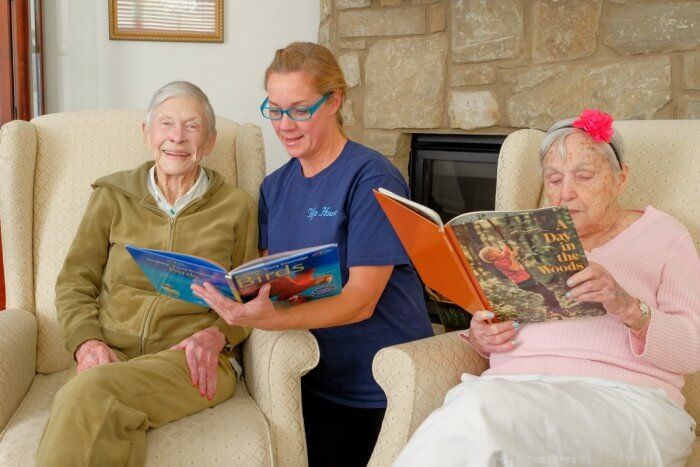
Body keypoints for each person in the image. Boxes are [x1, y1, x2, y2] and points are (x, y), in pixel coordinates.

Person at [394, 109, 699, 466]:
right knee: (462, 419)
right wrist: (482, 337)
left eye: (584, 176)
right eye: (553, 180)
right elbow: (493, 320)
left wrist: (626, 305)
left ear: (621, 178)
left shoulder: (665, 235)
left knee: (472, 421)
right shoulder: (524, 238)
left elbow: (692, 351)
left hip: (624, 399)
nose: (565, 193)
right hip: (512, 389)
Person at [192, 42, 434, 467]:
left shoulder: (372, 177)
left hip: (378, 388)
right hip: (308, 376)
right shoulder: (275, 186)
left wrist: (272, 319)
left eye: (300, 109)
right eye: (275, 108)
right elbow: (279, 283)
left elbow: (361, 301)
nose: (284, 124)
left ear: (335, 100)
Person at [36, 81, 258, 466]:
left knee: (81, 396)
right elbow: (74, 281)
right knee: (103, 408)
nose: (177, 136)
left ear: (209, 141)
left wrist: (218, 336)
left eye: (192, 126)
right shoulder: (111, 195)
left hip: (188, 361)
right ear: (146, 134)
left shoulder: (237, 207)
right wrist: (86, 343)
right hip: (113, 351)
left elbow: (249, 295)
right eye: (166, 124)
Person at [478, 243, 568, 318]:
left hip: (528, 278)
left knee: (546, 293)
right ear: (492, 258)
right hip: (524, 282)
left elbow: (507, 250)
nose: (496, 250)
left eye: (494, 249)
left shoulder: (502, 256)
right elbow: (515, 268)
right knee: (548, 293)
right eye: (493, 252)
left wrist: (506, 243)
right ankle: (557, 310)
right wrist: (512, 257)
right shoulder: (498, 262)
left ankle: (550, 311)